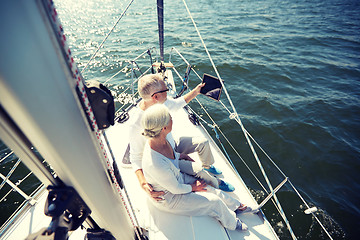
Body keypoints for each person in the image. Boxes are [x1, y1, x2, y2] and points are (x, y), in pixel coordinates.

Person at [141, 104, 249, 231]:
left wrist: (179, 155)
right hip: (170, 198)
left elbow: (171, 158)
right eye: (170, 117)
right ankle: (233, 223)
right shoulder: (155, 163)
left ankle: (236, 206)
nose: (172, 118)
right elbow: (176, 189)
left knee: (211, 189)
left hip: (176, 179)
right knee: (214, 201)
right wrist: (194, 188)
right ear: (164, 128)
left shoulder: (163, 140)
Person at [129, 73, 234, 201]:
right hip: (165, 159)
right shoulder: (136, 124)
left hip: (174, 147)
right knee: (199, 172)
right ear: (155, 96)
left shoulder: (161, 103)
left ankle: (208, 166)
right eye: (166, 89)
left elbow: (178, 103)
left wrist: (196, 92)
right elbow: (135, 158)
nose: (168, 92)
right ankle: (213, 181)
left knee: (203, 143)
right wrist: (143, 183)